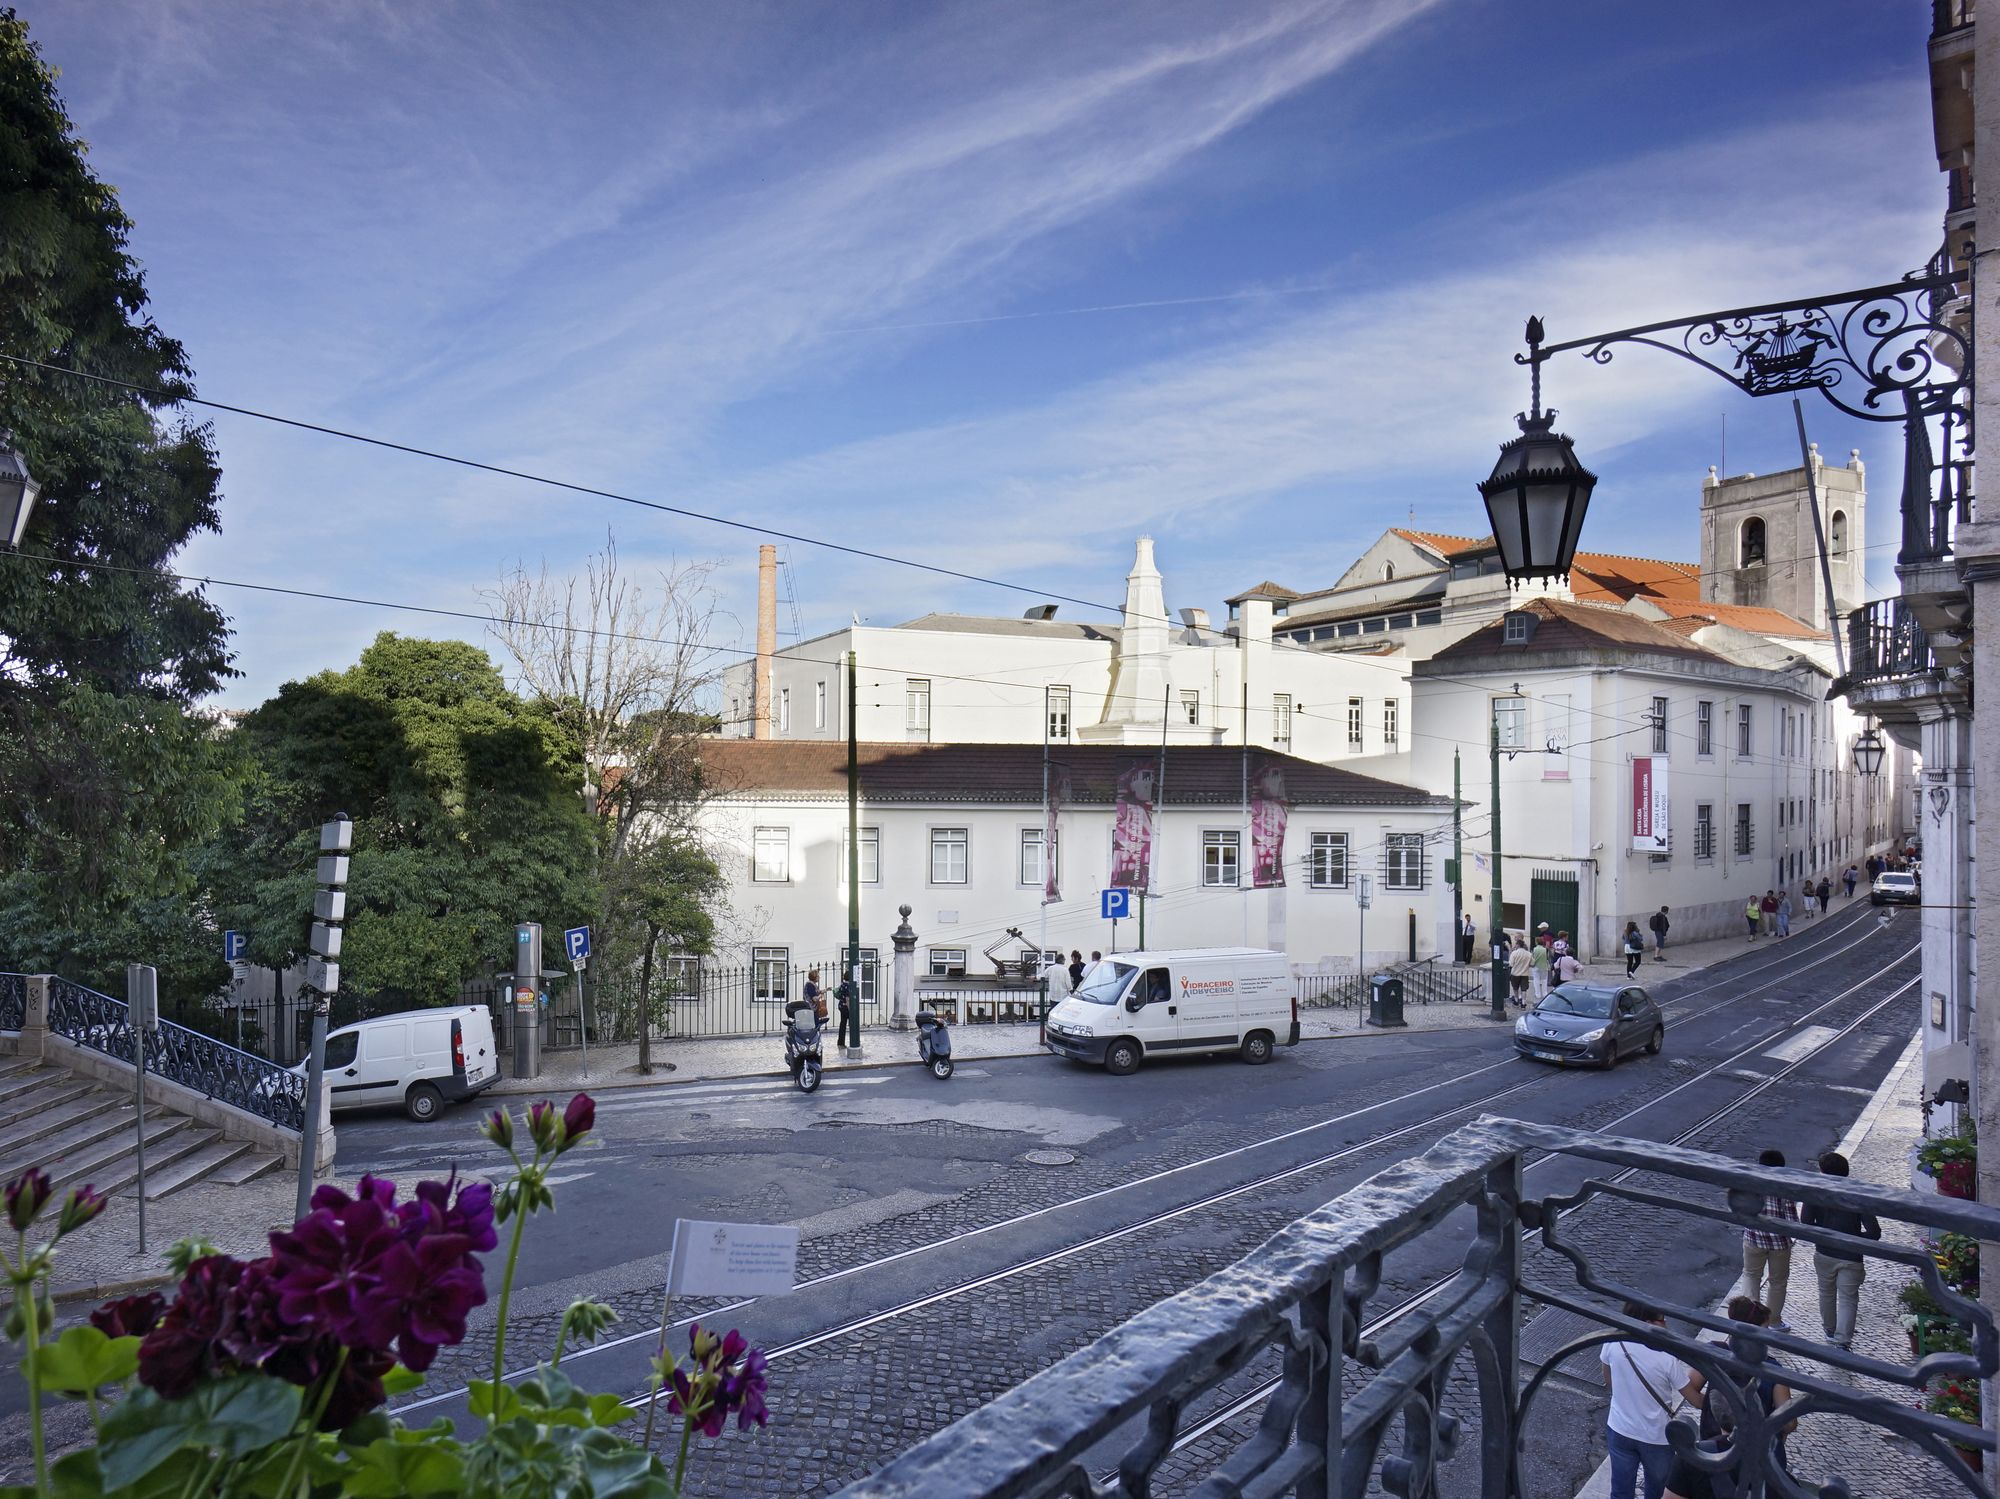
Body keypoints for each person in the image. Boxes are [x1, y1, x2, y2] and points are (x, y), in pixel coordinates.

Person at [1668, 1296, 1797, 1498]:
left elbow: (1689, 1386)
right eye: (1765, 1328)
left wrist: (1712, 1407)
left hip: (1714, 1441)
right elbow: (1789, 1423)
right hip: (1759, 1447)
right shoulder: (1773, 1370)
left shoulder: (1715, 1352)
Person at [1601, 1302, 1699, 1499]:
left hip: (1620, 1429)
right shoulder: (1665, 1357)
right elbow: (1695, 1400)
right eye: (1663, 1320)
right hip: (1656, 1437)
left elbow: (1608, 1379)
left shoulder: (1613, 1342)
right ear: (1648, 1323)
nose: (1666, 1326)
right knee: (1657, 1491)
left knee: (1620, 1491)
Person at [1800, 1151, 1881, 1348]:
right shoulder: (1858, 1194)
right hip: (1851, 1255)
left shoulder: (1815, 1192)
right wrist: (1853, 1238)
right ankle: (1843, 1340)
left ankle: (1829, 1330)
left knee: (1826, 1293)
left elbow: (1805, 1222)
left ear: (1822, 1171)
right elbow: (1874, 1232)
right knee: (1848, 1299)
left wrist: (1825, 1234)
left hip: (1824, 1252)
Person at [1738, 1148, 1797, 1331]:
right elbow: (1792, 1220)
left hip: (1753, 1238)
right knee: (1777, 1282)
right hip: (1779, 1243)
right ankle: (1773, 1321)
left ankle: (1750, 1318)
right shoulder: (1785, 1187)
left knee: (1750, 1275)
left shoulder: (1750, 1183)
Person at [1509, 937, 1532, 1003]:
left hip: (1515, 973)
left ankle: (1516, 1000)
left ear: (1518, 945)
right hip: (1525, 974)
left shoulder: (1514, 953)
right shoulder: (1529, 954)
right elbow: (1532, 963)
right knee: (1524, 989)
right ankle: (1523, 1002)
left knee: (1515, 988)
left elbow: (1511, 964)